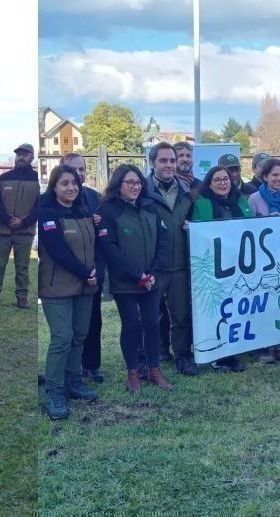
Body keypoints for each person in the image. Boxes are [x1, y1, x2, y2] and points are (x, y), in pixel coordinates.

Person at [97, 164, 172, 392]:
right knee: (131, 325)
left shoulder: (150, 207)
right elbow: (109, 248)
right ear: (118, 184)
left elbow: (163, 241)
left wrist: (153, 273)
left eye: (138, 182)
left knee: (152, 324)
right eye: (130, 182)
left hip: (151, 280)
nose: (135, 187)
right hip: (126, 282)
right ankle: (132, 373)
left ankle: (154, 371)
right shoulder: (108, 211)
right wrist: (136, 274)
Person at [39, 164, 100, 420]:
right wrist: (86, 273)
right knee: (62, 337)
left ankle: (73, 381)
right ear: (54, 187)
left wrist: (94, 272)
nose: (71, 188)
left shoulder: (84, 212)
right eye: (65, 183)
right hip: (58, 287)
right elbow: (58, 251)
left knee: (79, 335)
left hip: (85, 287)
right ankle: (54, 390)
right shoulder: (46, 214)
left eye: (74, 183)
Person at [191, 165, 254, 372]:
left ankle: (233, 353)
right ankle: (216, 354)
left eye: (225, 179)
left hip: (240, 266)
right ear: (209, 183)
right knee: (215, 311)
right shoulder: (202, 204)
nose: (222, 183)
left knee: (235, 309)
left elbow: (253, 227)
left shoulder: (242, 202)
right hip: (214, 268)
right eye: (217, 179)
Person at [144, 142, 197, 376]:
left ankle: (182, 356)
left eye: (172, 161)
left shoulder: (186, 193)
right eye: (163, 160)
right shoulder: (143, 192)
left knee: (181, 315)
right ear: (153, 162)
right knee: (149, 316)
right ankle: (147, 359)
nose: (169, 165)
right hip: (153, 265)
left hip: (180, 264)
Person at [60, 153, 104, 382]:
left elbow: (106, 234)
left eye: (82, 169)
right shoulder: (52, 201)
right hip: (67, 273)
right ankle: (68, 367)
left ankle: (92, 365)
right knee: (67, 326)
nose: (78, 174)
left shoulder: (95, 197)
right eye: (73, 169)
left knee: (93, 320)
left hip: (94, 269)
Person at [247, 158, 280, 363]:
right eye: (275, 175)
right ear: (265, 177)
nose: (279, 178)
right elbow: (246, 228)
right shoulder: (255, 198)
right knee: (263, 301)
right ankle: (262, 346)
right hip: (262, 259)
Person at [0, 143, 39, 309]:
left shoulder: (37, 179)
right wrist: (7, 219)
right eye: (18, 154)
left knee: (22, 266)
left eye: (25, 154)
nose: (20, 157)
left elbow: (39, 206)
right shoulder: (3, 178)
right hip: (3, 230)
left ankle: (22, 297)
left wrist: (24, 222)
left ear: (32, 157)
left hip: (25, 231)